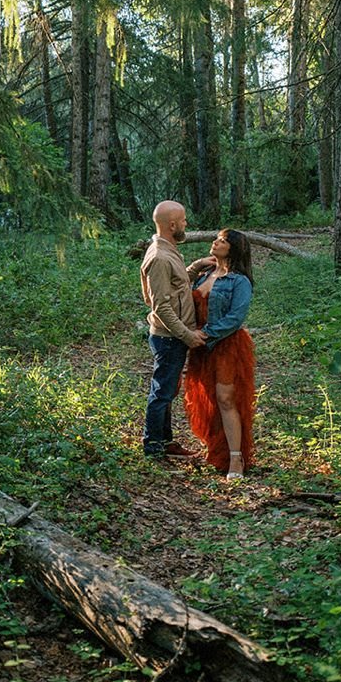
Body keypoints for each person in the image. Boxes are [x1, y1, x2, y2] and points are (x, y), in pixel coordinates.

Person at [184, 229, 257, 479]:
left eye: (223, 240)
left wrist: (206, 334)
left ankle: (236, 458)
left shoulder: (239, 281)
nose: (215, 242)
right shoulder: (203, 275)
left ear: (233, 249)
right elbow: (177, 288)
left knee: (226, 399)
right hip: (200, 346)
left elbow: (236, 318)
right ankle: (216, 450)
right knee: (207, 398)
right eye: (217, 238)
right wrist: (195, 265)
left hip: (226, 345)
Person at [139, 200, 206, 460]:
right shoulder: (158, 257)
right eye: (184, 220)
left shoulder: (169, 250)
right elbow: (161, 307)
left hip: (173, 337)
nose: (187, 224)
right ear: (172, 224)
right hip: (168, 338)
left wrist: (196, 266)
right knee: (162, 392)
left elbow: (177, 286)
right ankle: (153, 446)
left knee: (168, 390)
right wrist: (187, 336)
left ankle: (164, 442)